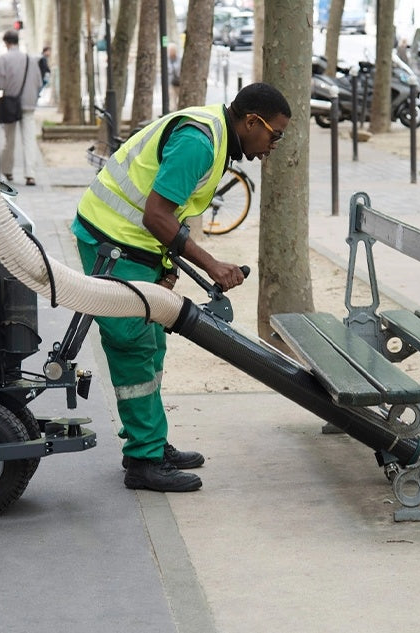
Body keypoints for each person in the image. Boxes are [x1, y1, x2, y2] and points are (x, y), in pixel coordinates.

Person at [71, 83, 291, 493]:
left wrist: (167, 266)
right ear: (251, 122)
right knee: (133, 345)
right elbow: (156, 215)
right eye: (274, 134)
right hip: (112, 244)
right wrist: (211, 265)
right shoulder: (199, 143)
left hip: (133, 245)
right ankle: (143, 461)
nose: (274, 144)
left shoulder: (217, 138)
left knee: (152, 340)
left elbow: (173, 212)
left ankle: (150, 443)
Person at [0, 29, 42, 186]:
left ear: (6, 42)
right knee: (29, 139)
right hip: (28, 104)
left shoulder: (3, 59)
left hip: (10, 105)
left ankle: (7, 170)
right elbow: (39, 82)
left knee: (9, 139)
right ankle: (30, 174)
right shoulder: (30, 59)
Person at [167, 42, 181, 109]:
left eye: (172, 50)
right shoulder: (167, 59)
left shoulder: (179, 59)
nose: (170, 52)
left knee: (180, 99)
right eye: (169, 50)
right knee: (173, 100)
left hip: (180, 82)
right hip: (172, 82)